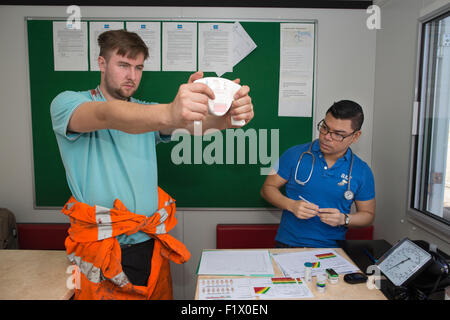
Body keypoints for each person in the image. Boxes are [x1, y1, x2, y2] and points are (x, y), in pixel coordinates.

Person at [50, 29, 254, 299]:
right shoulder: (68, 103)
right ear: (102, 63)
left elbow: (189, 124)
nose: (132, 76)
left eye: (138, 67)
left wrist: (226, 117)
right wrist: (170, 111)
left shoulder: (147, 113)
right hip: (100, 248)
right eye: (123, 65)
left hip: (149, 243)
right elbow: (107, 114)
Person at [260, 100, 375, 248]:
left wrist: (344, 219)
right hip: (288, 245)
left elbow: (368, 215)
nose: (327, 137)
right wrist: (291, 205)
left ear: (356, 136)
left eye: (338, 134)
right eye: (325, 128)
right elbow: (267, 188)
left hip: (332, 250)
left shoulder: (362, 171)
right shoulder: (294, 154)